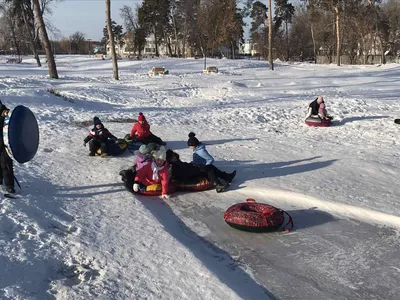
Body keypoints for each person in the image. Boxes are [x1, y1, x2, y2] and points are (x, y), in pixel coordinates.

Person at [166, 149, 235, 193]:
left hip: (190, 169)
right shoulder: (172, 166)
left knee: (210, 166)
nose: (174, 157)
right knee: (208, 170)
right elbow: (182, 173)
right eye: (173, 157)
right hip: (189, 174)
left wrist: (191, 165)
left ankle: (226, 177)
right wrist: (196, 169)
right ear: (169, 159)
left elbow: (184, 165)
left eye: (174, 156)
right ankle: (217, 185)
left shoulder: (176, 162)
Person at [0, 100, 15, 194]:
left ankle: (9, 185)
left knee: (6, 163)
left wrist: (5, 115)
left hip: (5, 142)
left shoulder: (5, 111)